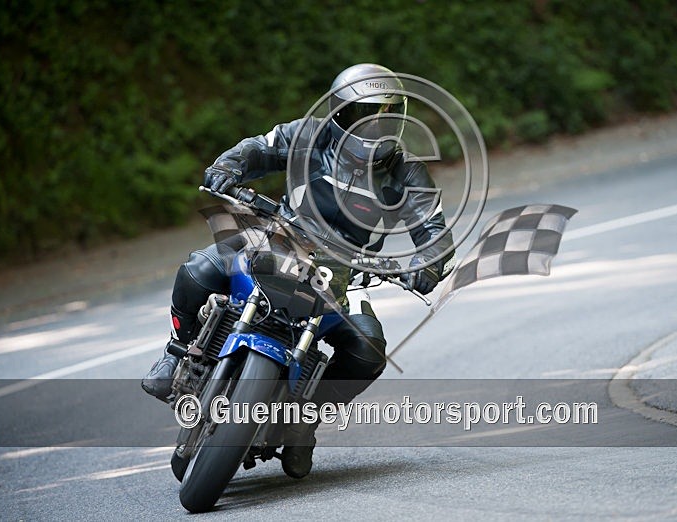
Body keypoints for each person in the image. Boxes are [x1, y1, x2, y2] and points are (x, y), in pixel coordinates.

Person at [142, 63, 454, 478]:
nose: (376, 127)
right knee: (200, 268)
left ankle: (304, 420)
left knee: (368, 350)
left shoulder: (405, 170)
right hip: (277, 237)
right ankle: (177, 353)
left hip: (348, 269)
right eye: (366, 115)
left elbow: (432, 226)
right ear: (340, 113)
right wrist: (227, 168)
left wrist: (425, 264)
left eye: (387, 115)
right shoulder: (308, 137)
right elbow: (258, 148)